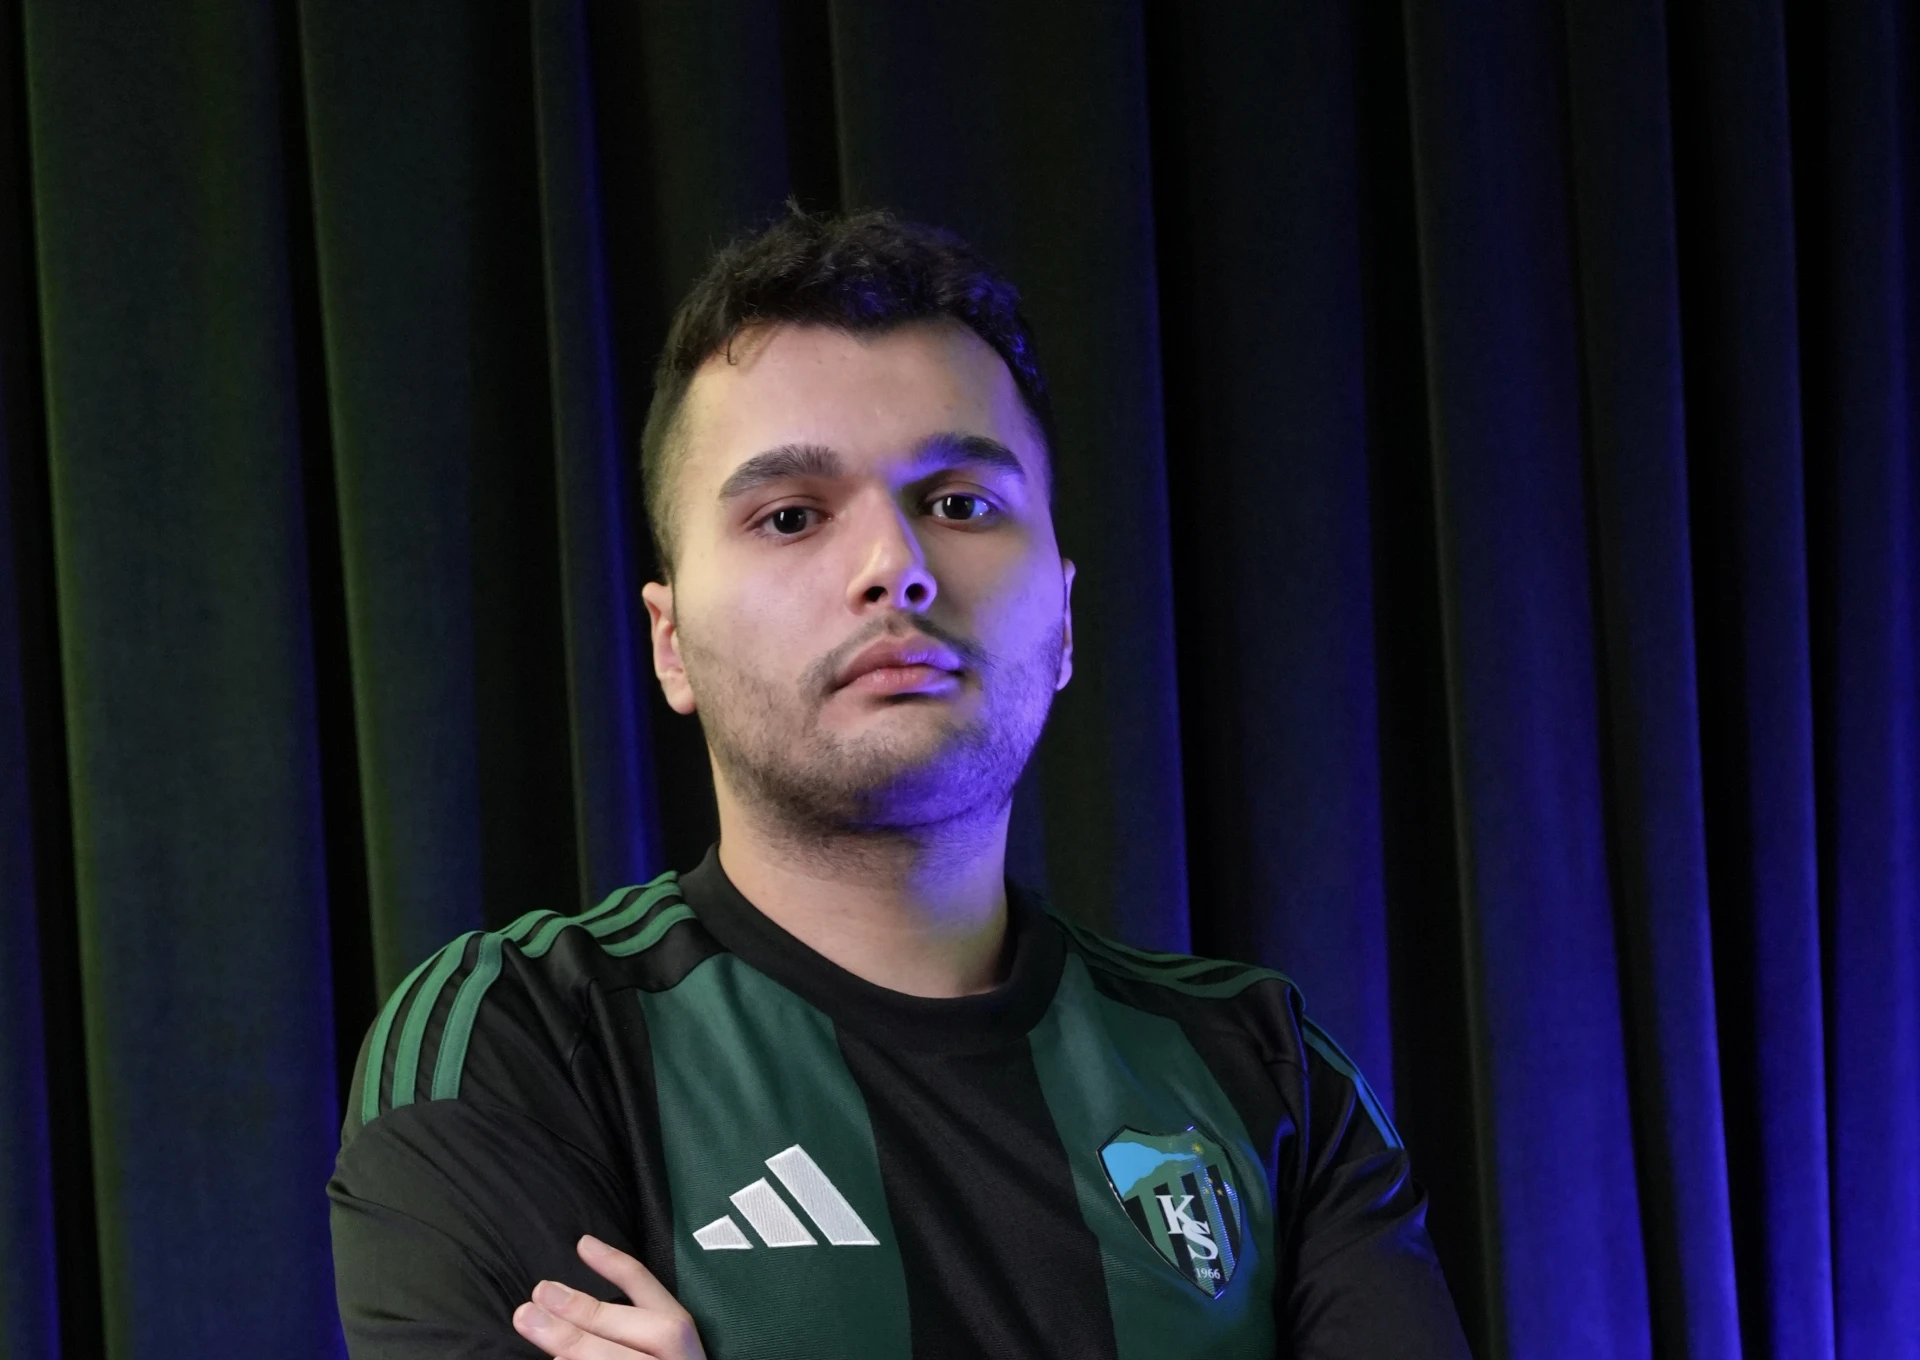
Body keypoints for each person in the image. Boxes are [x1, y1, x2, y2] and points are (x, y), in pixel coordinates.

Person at [327, 206, 1472, 1359]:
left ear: (1065, 618)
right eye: (790, 517)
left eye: (959, 504)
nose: (895, 566)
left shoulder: (1270, 1071)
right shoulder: (520, 1042)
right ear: (670, 645)